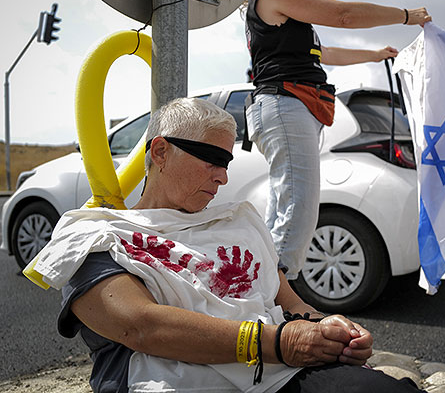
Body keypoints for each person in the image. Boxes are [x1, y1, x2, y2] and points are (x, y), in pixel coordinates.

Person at [30, 98, 424, 392]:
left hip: (282, 373)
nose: (221, 177)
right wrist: (277, 343)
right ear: (160, 152)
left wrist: (329, 327)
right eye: (210, 160)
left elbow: (291, 304)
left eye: (227, 163)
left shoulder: (239, 221)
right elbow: (141, 327)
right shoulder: (99, 234)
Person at [244, 0, 432, 280]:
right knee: (299, 208)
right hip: (285, 103)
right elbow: (342, 15)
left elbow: (323, 52)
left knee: (287, 206)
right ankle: (275, 295)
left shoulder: (278, 2)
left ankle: (265, 292)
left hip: (286, 106)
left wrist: (374, 55)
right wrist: (406, 16)